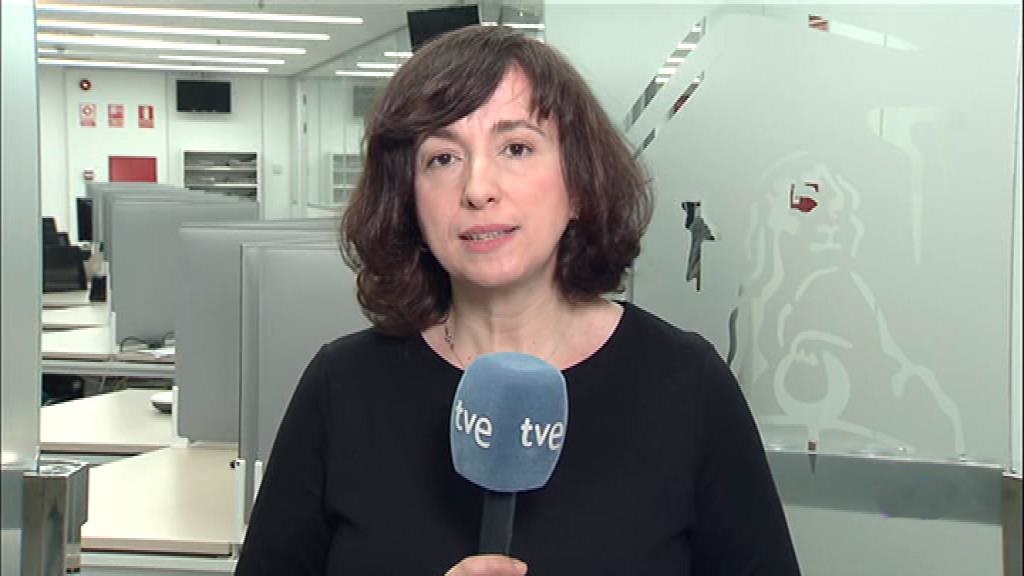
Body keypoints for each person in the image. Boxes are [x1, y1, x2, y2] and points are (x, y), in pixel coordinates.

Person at [235, 25, 800, 576]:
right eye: (443, 158)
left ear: (579, 185)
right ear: (409, 200)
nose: (478, 189)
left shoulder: (686, 384)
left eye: (516, 147)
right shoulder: (343, 386)